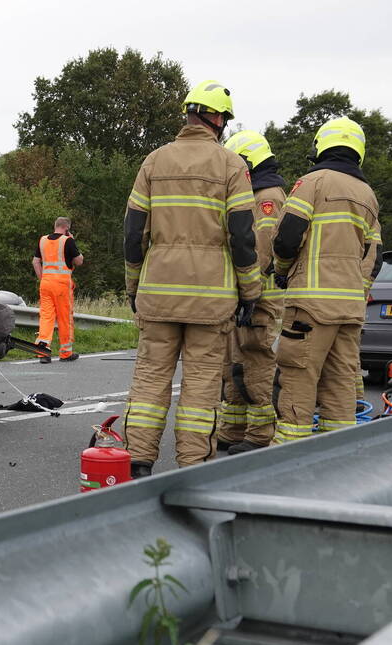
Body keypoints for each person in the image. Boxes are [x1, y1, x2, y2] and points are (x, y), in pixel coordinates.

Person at [122, 80, 261, 477]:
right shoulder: (231, 165)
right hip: (210, 299)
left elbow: (133, 234)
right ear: (216, 118)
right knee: (201, 387)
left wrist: (134, 285)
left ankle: (138, 462)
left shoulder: (154, 161)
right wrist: (250, 289)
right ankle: (193, 466)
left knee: (149, 381)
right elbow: (243, 237)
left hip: (158, 296)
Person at [271, 117, 383, 444]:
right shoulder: (367, 195)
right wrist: (356, 294)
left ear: (321, 146)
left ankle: (286, 466)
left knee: (297, 383)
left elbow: (287, 237)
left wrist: (281, 271)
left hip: (310, 308)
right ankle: (333, 470)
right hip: (349, 312)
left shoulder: (312, 183)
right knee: (340, 388)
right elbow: (372, 256)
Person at [218, 131, 287, 454]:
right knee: (234, 362)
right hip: (244, 294)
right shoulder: (253, 193)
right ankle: (233, 428)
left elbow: (261, 247)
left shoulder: (267, 196)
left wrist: (249, 289)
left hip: (259, 295)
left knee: (256, 362)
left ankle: (260, 433)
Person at [32, 217, 83, 363]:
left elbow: (35, 261)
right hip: (61, 285)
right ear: (67, 229)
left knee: (46, 317)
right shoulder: (67, 241)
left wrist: (42, 278)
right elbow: (79, 261)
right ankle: (66, 353)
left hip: (46, 283)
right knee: (64, 318)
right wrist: (73, 242)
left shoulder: (42, 240)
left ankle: (43, 352)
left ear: (55, 226)